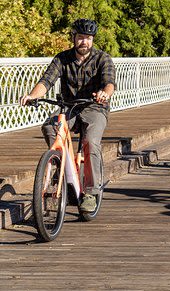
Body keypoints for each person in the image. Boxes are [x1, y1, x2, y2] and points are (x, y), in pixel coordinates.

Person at [20, 18, 116, 213]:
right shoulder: (62, 58)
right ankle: (59, 161)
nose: (84, 42)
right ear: (74, 38)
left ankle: (90, 192)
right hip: (68, 107)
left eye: (88, 38)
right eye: (81, 38)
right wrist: (32, 95)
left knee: (90, 141)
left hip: (94, 107)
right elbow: (46, 81)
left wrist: (105, 93)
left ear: (92, 40)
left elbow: (109, 83)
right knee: (49, 126)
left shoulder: (102, 58)